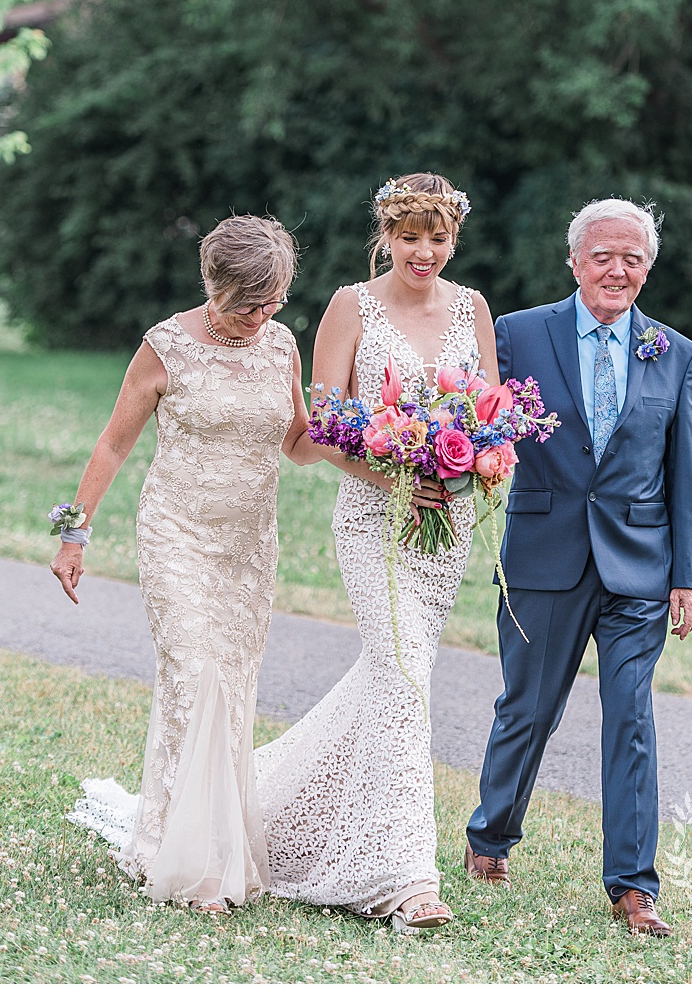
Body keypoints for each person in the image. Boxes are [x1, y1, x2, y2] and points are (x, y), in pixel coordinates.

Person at [54, 214, 331, 910]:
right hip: (176, 531)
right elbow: (114, 444)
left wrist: (373, 442)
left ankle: (201, 841)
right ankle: (182, 858)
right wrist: (73, 533)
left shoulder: (282, 347)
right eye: (247, 304)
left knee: (232, 689)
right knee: (194, 676)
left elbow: (298, 442)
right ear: (214, 285)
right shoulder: (166, 348)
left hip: (247, 545)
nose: (260, 317)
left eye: (272, 303)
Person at [250, 173, 497, 934]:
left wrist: (471, 463)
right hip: (371, 520)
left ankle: (269, 812)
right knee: (402, 675)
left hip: (444, 528)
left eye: (439, 236)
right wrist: (394, 474)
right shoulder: (349, 307)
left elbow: (489, 410)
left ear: (454, 237)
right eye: (410, 235)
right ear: (385, 235)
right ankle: (407, 879)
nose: (425, 251)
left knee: (395, 676)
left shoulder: (472, 307)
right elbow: (321, 428)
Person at [464, 198, 692, 938]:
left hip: (639, 562)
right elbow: (482, 423)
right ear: (574, 261)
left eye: (633, 257)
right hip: (544, 554)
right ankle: (491, 835)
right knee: (529, 708)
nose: (618, 269)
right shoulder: (517, 333)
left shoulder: (676, 352)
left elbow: (686, 469)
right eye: (603, 254)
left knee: (631, 718)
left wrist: (689, 574)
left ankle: (633, 886)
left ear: (648, 268)